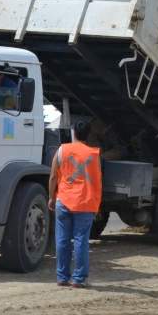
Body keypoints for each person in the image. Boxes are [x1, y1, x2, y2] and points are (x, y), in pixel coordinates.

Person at [48, 119, 102, 288]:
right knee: (81, 241)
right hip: (85, 203)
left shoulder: (62, 150)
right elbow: (98, 181)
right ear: (88, 134)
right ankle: (78, 279)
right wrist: (97, 203)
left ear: (74, 133)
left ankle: (62, 277)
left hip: (63, 200)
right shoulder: (94, 155)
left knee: (62, 240)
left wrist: (51, 197)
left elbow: (53, 177)